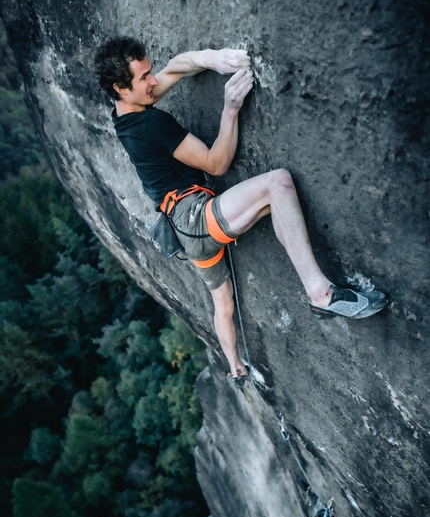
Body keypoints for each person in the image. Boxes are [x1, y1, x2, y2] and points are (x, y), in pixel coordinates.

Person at [94, 37, 387, 387]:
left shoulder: (124, 112)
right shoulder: (149, 125)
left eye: (148, 72)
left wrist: (215, 59)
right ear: (119, 87)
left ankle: (234, 367)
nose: (154, 81)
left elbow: (176, 66)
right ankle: (320, 295)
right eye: (144, 78)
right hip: (195, 218)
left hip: (185, 233)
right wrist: (230, 108)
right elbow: (217, 164)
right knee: (277, 185)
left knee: (223, 304)